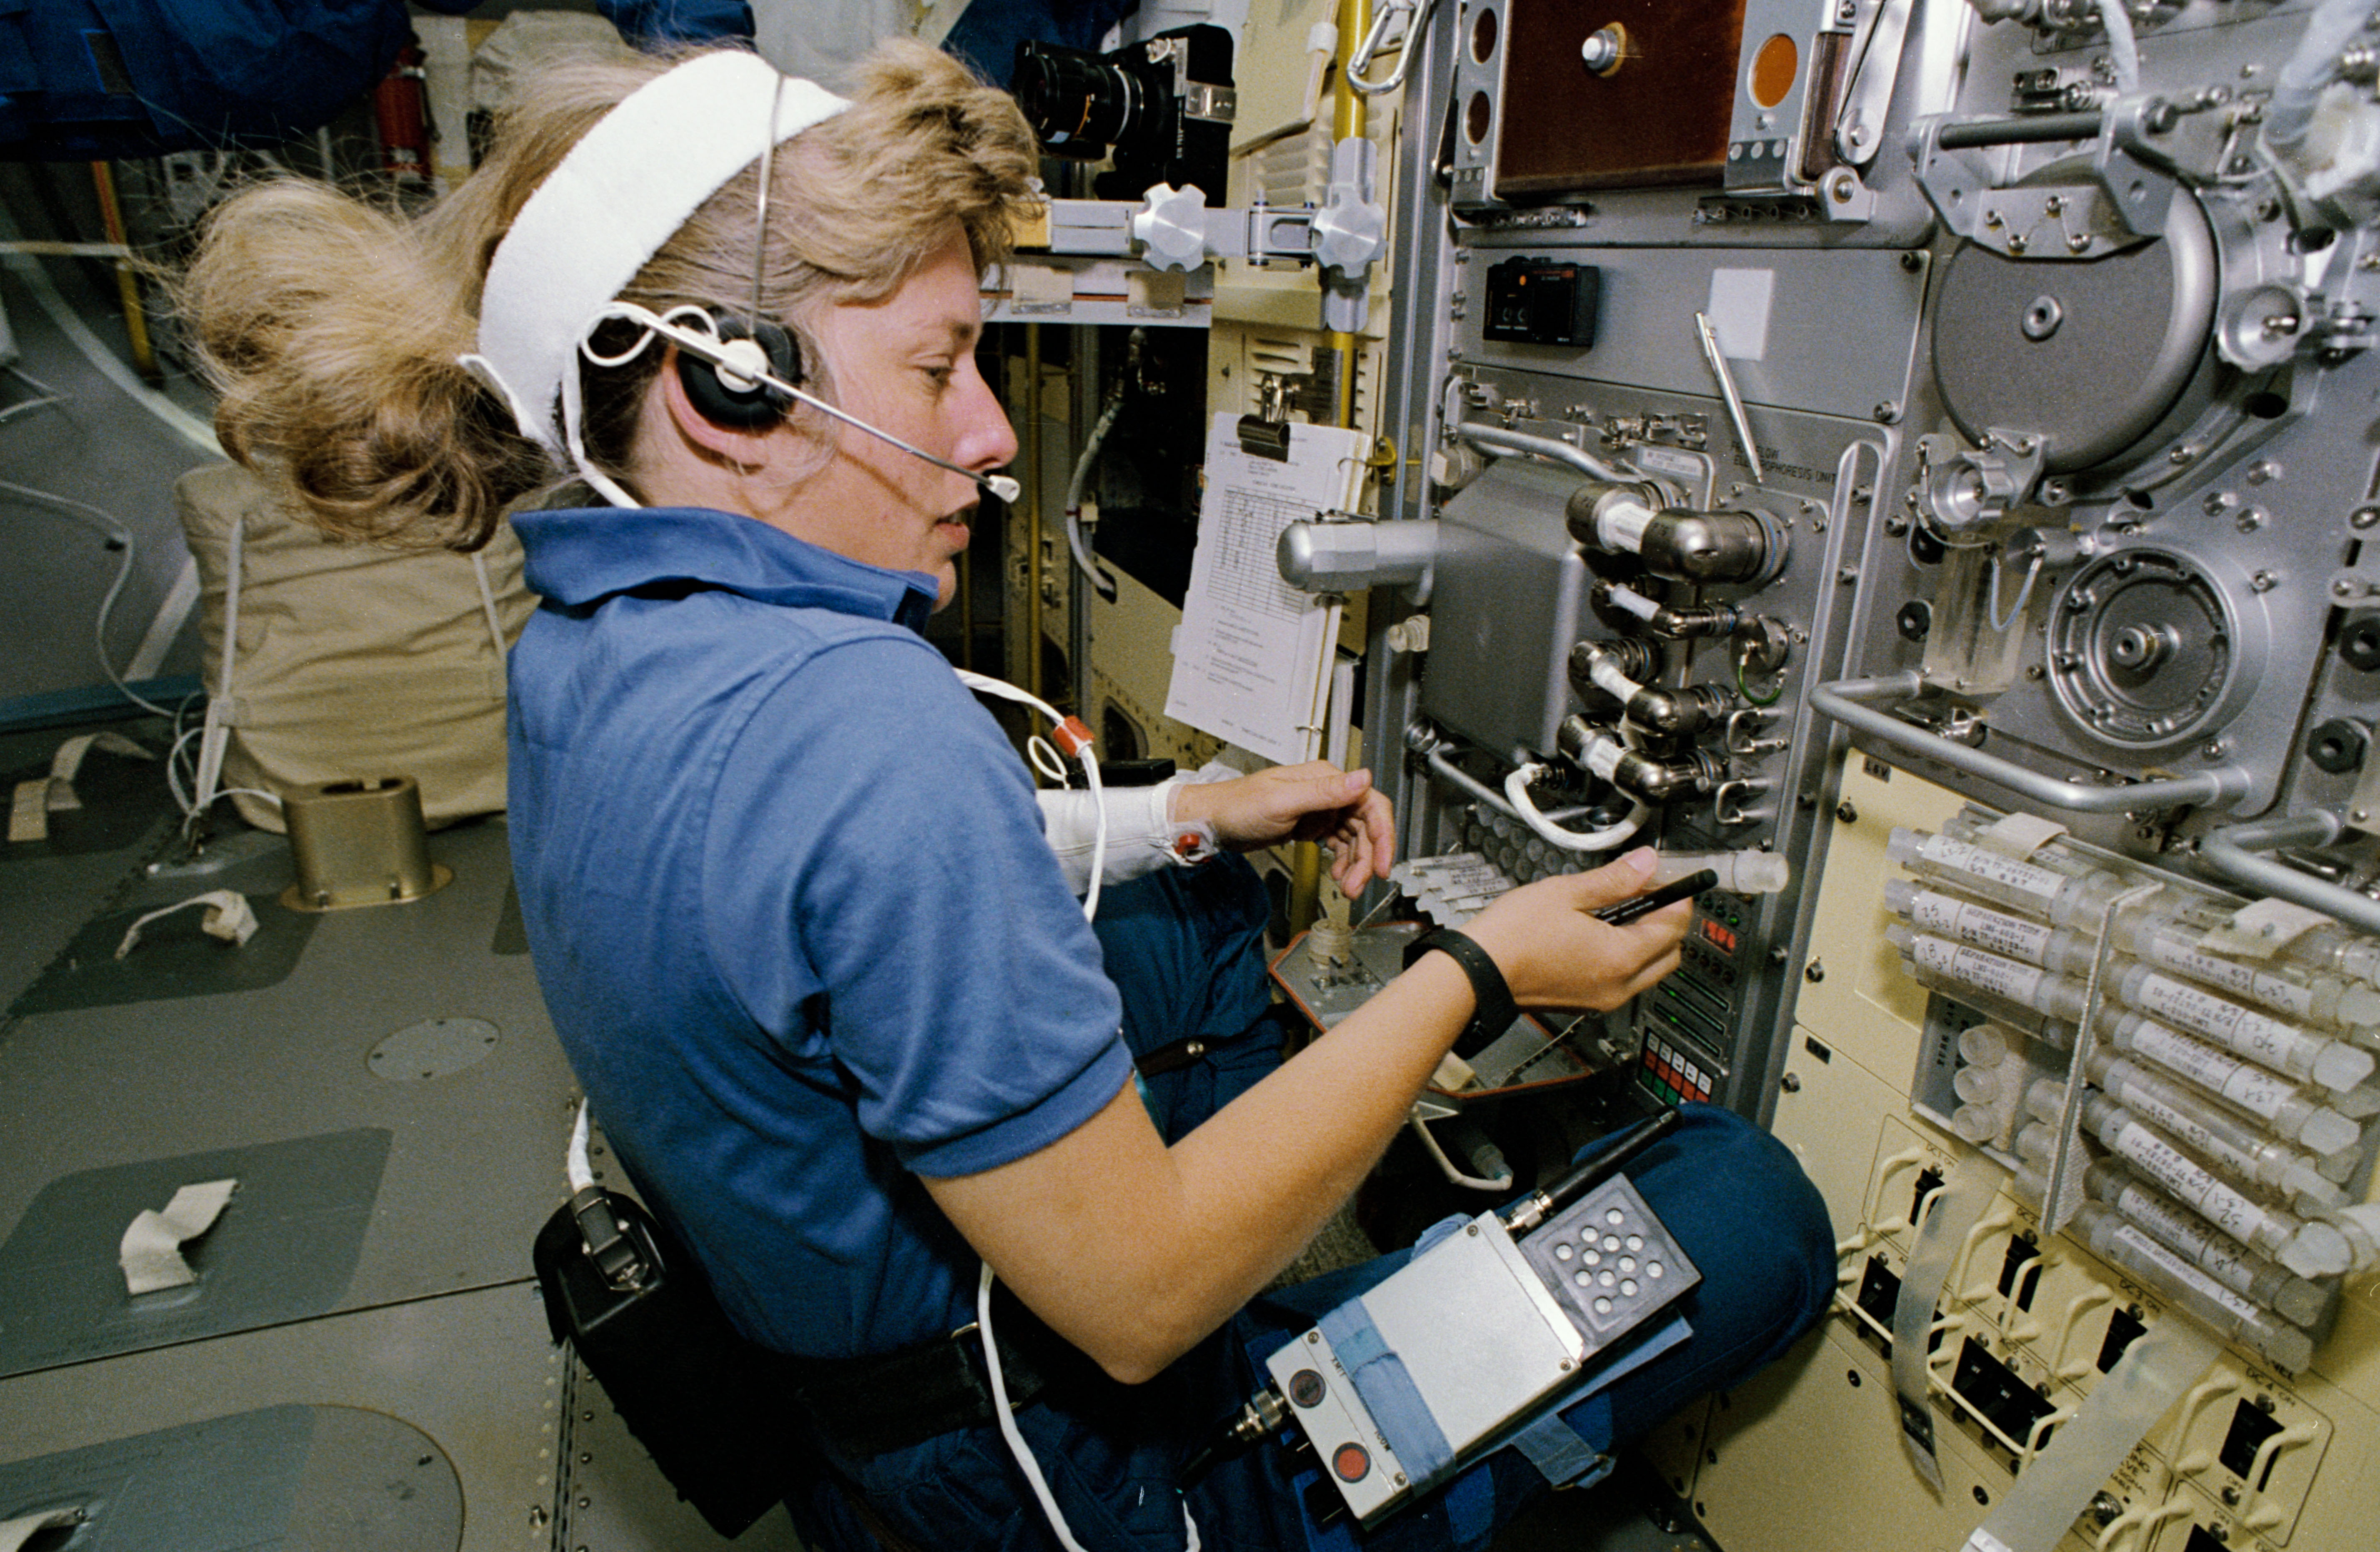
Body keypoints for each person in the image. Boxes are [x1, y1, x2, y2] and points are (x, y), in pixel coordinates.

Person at [180, 37, 1833, 1552]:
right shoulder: (863, 729)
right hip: (1062, 1479)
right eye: (936, 366)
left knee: (1191, 906)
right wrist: (1475, 979)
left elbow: (807, 903)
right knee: (1750, 1206)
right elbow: (1139, 1298)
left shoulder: (594, 638)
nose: (988, 435)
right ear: (725, 389)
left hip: (846, 1397)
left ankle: (1320, 1226)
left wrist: (1191, 813)